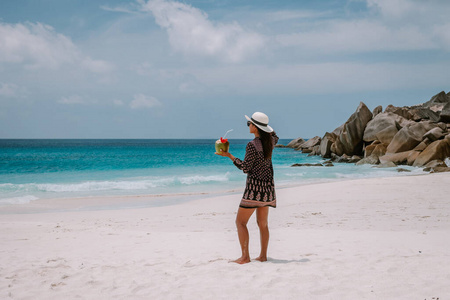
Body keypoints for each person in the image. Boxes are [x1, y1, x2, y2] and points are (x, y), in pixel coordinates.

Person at [216, 112, 279, 264]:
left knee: (240, 222)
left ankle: (245, 257)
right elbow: (274, 134)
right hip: (268, 189)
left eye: (249, 123)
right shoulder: (271, 141)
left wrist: (230, 156)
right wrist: (266, 127)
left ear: (256, 127)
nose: (248, 126)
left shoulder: (252, 145)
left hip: (254, 189)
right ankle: (263, 256)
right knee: (263, 224)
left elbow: (245, 168)